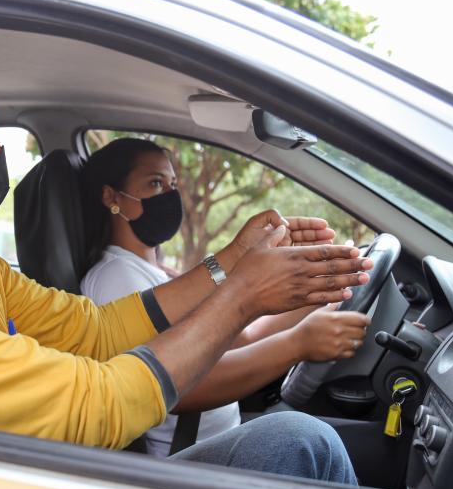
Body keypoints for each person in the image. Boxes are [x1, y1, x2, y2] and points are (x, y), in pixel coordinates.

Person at [0, 37, 372, 484]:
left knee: (298, 441)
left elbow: (96, 330)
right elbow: (98, 401)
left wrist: (232, 260)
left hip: (46, 469)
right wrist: (243, 297)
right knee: (301, 442)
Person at [80, 138, 371, 457]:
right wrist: (297, 344)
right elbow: (173, 385)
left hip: (220, 433)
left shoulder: (157, 273)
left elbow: (237, 338)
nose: (170, 195)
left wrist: (317, 293)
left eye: (173, 184)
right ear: (112, 197)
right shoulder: (116, 276)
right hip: (183, 452)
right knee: (312, 442)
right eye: (155, 183)